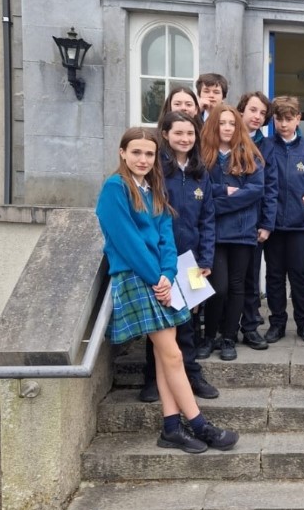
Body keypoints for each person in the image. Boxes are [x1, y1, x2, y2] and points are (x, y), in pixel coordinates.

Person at [95, 127, 238, 453]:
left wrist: (166, 274)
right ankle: (200, 425)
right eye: (136, 153)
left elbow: (166, 238)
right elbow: (125, 240)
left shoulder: (152, 188)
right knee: (172, 354)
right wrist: (155, 277)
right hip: (134, 277)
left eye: (148, 153)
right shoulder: (115, 188)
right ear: (122, 153)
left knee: (165, 356)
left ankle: (172, 427)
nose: (143, 159)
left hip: (159, 278)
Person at [139, 111, 219, 403]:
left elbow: (208, 219)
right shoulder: (156, 171)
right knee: (161, 321)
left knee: (189, 322)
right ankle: (151, 379)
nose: (184, 139)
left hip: (193, 261)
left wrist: (206, 260)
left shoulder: (201, 173)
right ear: (165, 135)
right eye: (178, 133)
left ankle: (192, 374)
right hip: (163, 260)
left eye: (190, 133)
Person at [197, 104, 265, 361]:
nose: (227, 128)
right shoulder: (203, 156)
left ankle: (228, 337)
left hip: (243, 231)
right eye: (222, 123)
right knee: (218, 286)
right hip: (213, 232)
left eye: (232, 124)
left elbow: (255, 191)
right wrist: (225, 193)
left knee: (238, 286)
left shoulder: (250, 154)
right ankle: (209, 336)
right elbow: (202, 193)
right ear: (214, 125)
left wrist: (217, 200)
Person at [263, 96, 304, 343]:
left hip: (301, 224)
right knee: (274, 276)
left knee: (300, 276)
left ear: (298, 119)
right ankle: (277, 323)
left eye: (289, 119)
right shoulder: (266, 146)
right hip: (273, 225)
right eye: (279, 119)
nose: (283, 124)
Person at [235, 90, 278, 349]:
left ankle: (250, 327)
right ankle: (223, 329)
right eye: (253, 110)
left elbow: (271, 188)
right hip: (226, 222)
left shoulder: (268, 145)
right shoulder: (226, 137)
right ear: (241, 110)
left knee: (251, 276)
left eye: (262, 113)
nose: (257, 116)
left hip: (254, 222)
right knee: (227, 278)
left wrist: (266, 224)